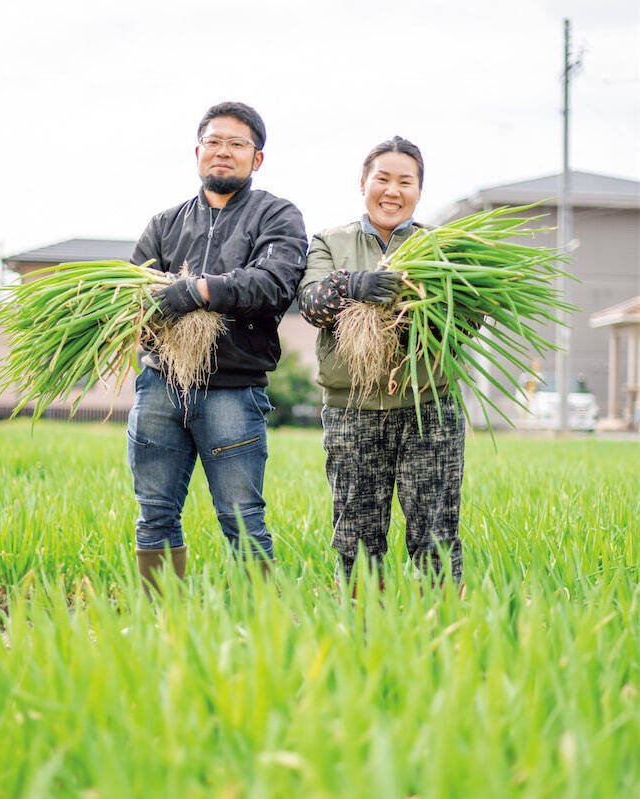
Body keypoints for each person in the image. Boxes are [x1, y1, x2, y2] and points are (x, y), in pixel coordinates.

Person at [128, 101, 307, 593]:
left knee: (242, 517)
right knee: (155, 512)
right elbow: (131, 301)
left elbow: (273, 283)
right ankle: (159, 623)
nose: (223, 153)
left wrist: (198, 291)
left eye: (237, 144)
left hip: (233, 389)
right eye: (214, 142)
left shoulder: (278, 215)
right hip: (161, 386)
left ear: (257, 158)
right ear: (197, 151)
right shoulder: (165, 224)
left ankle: (263, 625)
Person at [298, 136, 465, 590]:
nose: (392, 191)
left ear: (418, 190)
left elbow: (467, 320)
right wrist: (355, 284)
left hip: (428, 406)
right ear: (363, 184)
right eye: (382, 179)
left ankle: (443, 625)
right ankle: (363, 627)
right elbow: (311, 304)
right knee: (356, 534)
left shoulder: (443, 247)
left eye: (405, 182)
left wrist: (416, 311)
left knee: (436, 531)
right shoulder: (329, 242)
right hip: (352, 407)